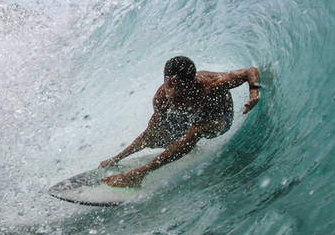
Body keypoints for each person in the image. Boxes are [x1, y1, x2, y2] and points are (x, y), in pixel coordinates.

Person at [99, 56, 262, 188]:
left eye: (181, 87)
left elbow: (250, 71)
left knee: (195, 130)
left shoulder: (211, 84)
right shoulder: (161, 97)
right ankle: (190, 147)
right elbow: (149, 133)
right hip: (192, 117)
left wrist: (254, 92)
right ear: (165, 80)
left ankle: (141, 174)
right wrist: (117, 158)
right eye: (170, 85)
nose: (173, 92)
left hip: (219, 117)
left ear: (191, 82)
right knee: (155, 137)